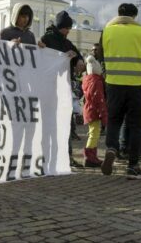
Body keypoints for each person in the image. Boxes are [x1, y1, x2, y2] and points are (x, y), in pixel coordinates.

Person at [99, 3, 141, 180]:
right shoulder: (139, 31)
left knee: (114, 120)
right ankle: (133, 166)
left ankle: (111, 148)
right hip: (136, 84)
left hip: (114, 83)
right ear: (135, 16)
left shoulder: (107, 31)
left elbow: (100, 56)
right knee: (135, 125)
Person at [41, 11, 83, 167]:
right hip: (49, 86)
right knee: (50, 123)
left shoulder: (67, 42)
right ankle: (47, 155)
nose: (68, 31)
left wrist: (78, 59)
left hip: (64, 86)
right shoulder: (47, 39)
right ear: (59, 27)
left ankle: (67, 156)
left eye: (69, 28)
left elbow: (78, 55)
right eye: (66, 28)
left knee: (65, 121)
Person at [82, 52, 107, 167]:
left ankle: (92, 156)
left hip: (89, 110)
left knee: (94, 133)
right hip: (94, 111)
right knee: (94, 134)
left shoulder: (87, 80)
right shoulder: (97, 82)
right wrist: (104, 115)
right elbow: (99, 100)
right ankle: (89, 157)